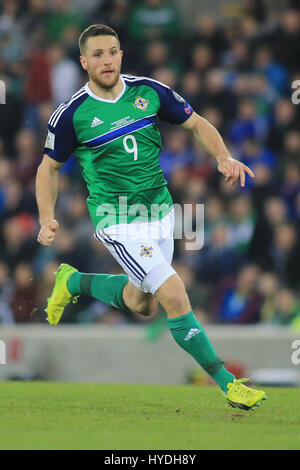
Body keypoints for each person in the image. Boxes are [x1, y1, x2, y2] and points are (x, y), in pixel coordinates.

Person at [35, 24, 266, 410]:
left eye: (112, 52)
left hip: (159, 212)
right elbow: (48, 168)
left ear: (121, 55)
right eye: (97, 54)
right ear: (83, 62)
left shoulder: (148, 91)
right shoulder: (71, 114)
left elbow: (197, 123)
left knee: (144, 305)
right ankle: (228, 383)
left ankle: (72, 281)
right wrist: (46, 217)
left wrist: (223, 156)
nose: (106, 60)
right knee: (174, 293)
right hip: (117, 219)